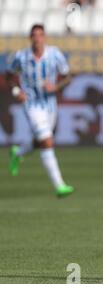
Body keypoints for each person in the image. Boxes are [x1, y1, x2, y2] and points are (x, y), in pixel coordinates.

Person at [6, 24, 74, 198]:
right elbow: (9, 76)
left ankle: (18, 152)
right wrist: (16, 92)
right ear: (30, 38)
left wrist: (56, 86)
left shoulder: (54, 54)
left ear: (44, 37)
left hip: (50, 104)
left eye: (40, 35)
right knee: (47, 140)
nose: (37, 39)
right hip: (31, 104)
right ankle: (60, 186)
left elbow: (67, 77)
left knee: (41, 141)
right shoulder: (21, 57)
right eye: (34, 35)